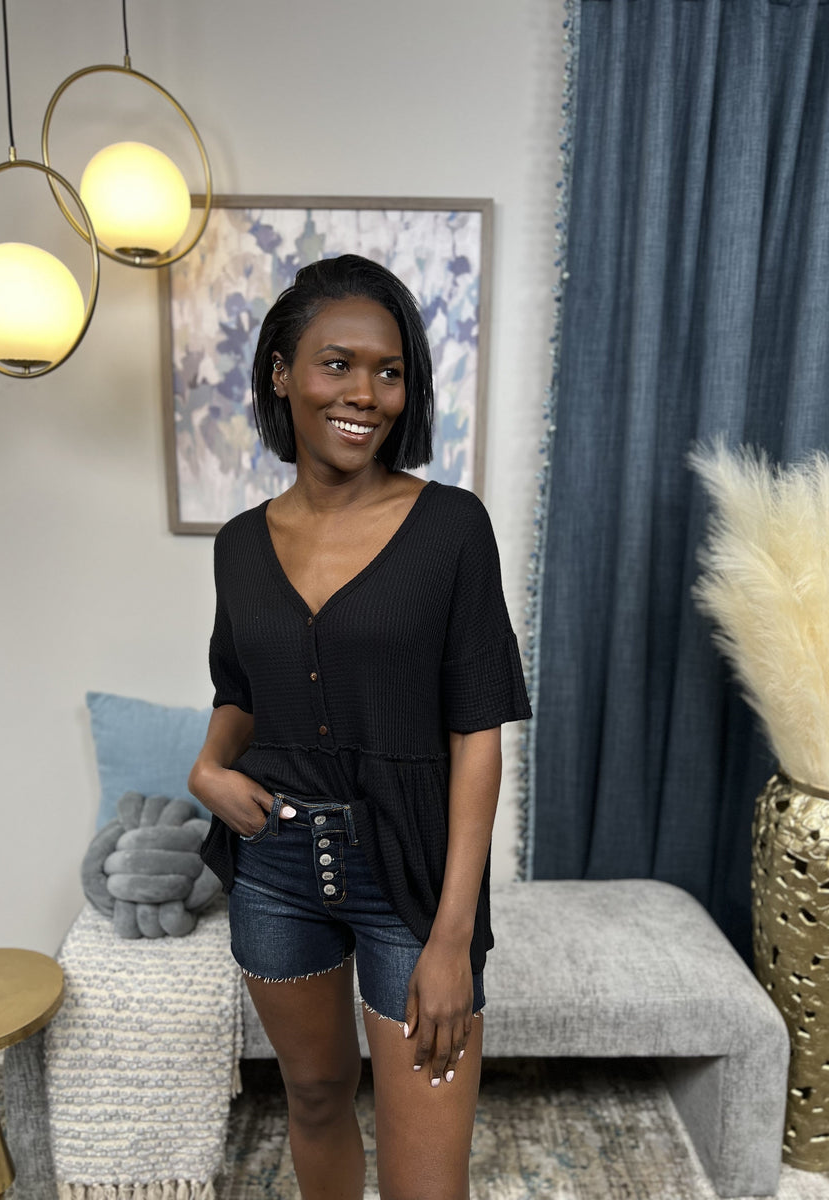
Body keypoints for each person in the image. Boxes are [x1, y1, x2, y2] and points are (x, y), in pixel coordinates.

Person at [189, 254, 531, 1200]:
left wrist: (453, 939)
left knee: (427, 1184)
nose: (366, 394)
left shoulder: (452, 528)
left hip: (411, 878)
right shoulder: (239, 544)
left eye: (389, 372)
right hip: (276, 868)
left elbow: (477, 733)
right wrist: (208, 769)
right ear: (281, 374)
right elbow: (238, 690)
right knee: (313, 1097)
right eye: (337, 364)